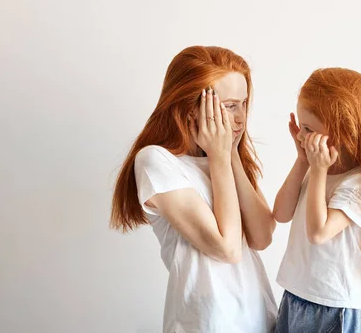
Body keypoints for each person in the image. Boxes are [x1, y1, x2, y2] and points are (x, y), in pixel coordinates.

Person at [111, 46, 277, 333]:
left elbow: (262, 237)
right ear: (190, 108)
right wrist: (220, 156)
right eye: (228, 106)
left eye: (244, 104)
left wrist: (231, 154)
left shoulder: (225, 157)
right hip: (207, 323)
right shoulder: (156, 161)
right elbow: (227, 248)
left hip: (260, 318)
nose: (240, 118)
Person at [273, 68, 361, 332]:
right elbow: (280, 214)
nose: (301, 136)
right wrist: (303, 162)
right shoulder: (317, 170)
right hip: (296, 297)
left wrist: (316, 170)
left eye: (307, 129)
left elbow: (318, 232)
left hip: (335, 309)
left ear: (342, 133)